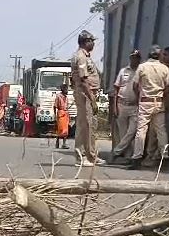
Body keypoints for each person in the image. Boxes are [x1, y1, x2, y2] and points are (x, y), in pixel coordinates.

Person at [129, 46, 169, 170]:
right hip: (158, 102)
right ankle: (164, 156)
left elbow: (135, 85)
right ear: (159, 55)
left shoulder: (142, 67)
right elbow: (167, 88)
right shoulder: (165, 68)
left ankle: (137, 158)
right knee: (161, 131)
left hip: (145, 102)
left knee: (141, 130)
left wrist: (139, 97)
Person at [71, 30, 105, 167]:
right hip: (85, 94)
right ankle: (81, 157)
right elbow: (84, 80)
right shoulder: (81, 57)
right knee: (84, 126)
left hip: (87, 94)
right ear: (86, 42)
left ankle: (91, 155)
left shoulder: (85, 56)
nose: (93, 44)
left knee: (90, 126)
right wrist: (92, 99)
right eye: (92, 41)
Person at [111, 50, 142, 163]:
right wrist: (115, 107)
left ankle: (116, 152)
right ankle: (127, 156)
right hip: (122, 105)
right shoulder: (123, 71)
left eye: (137, 58)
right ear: (130, 58)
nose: (135, 59)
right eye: (133, 57)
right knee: (123, 133)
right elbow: (116, 89)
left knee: (132, 131)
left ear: (139, 59)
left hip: (135, 106)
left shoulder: (141, 71)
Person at [55, 83, 71, 149]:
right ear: (63, 89)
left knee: (66, 130)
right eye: (66, 89)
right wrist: (55, 115)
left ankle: (64, 144)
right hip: (60, 113)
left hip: (66, 113)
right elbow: (55, 106)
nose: (67, 91)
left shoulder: (66, 97)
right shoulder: (58, 96)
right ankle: (57, 141)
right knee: (60, 129)